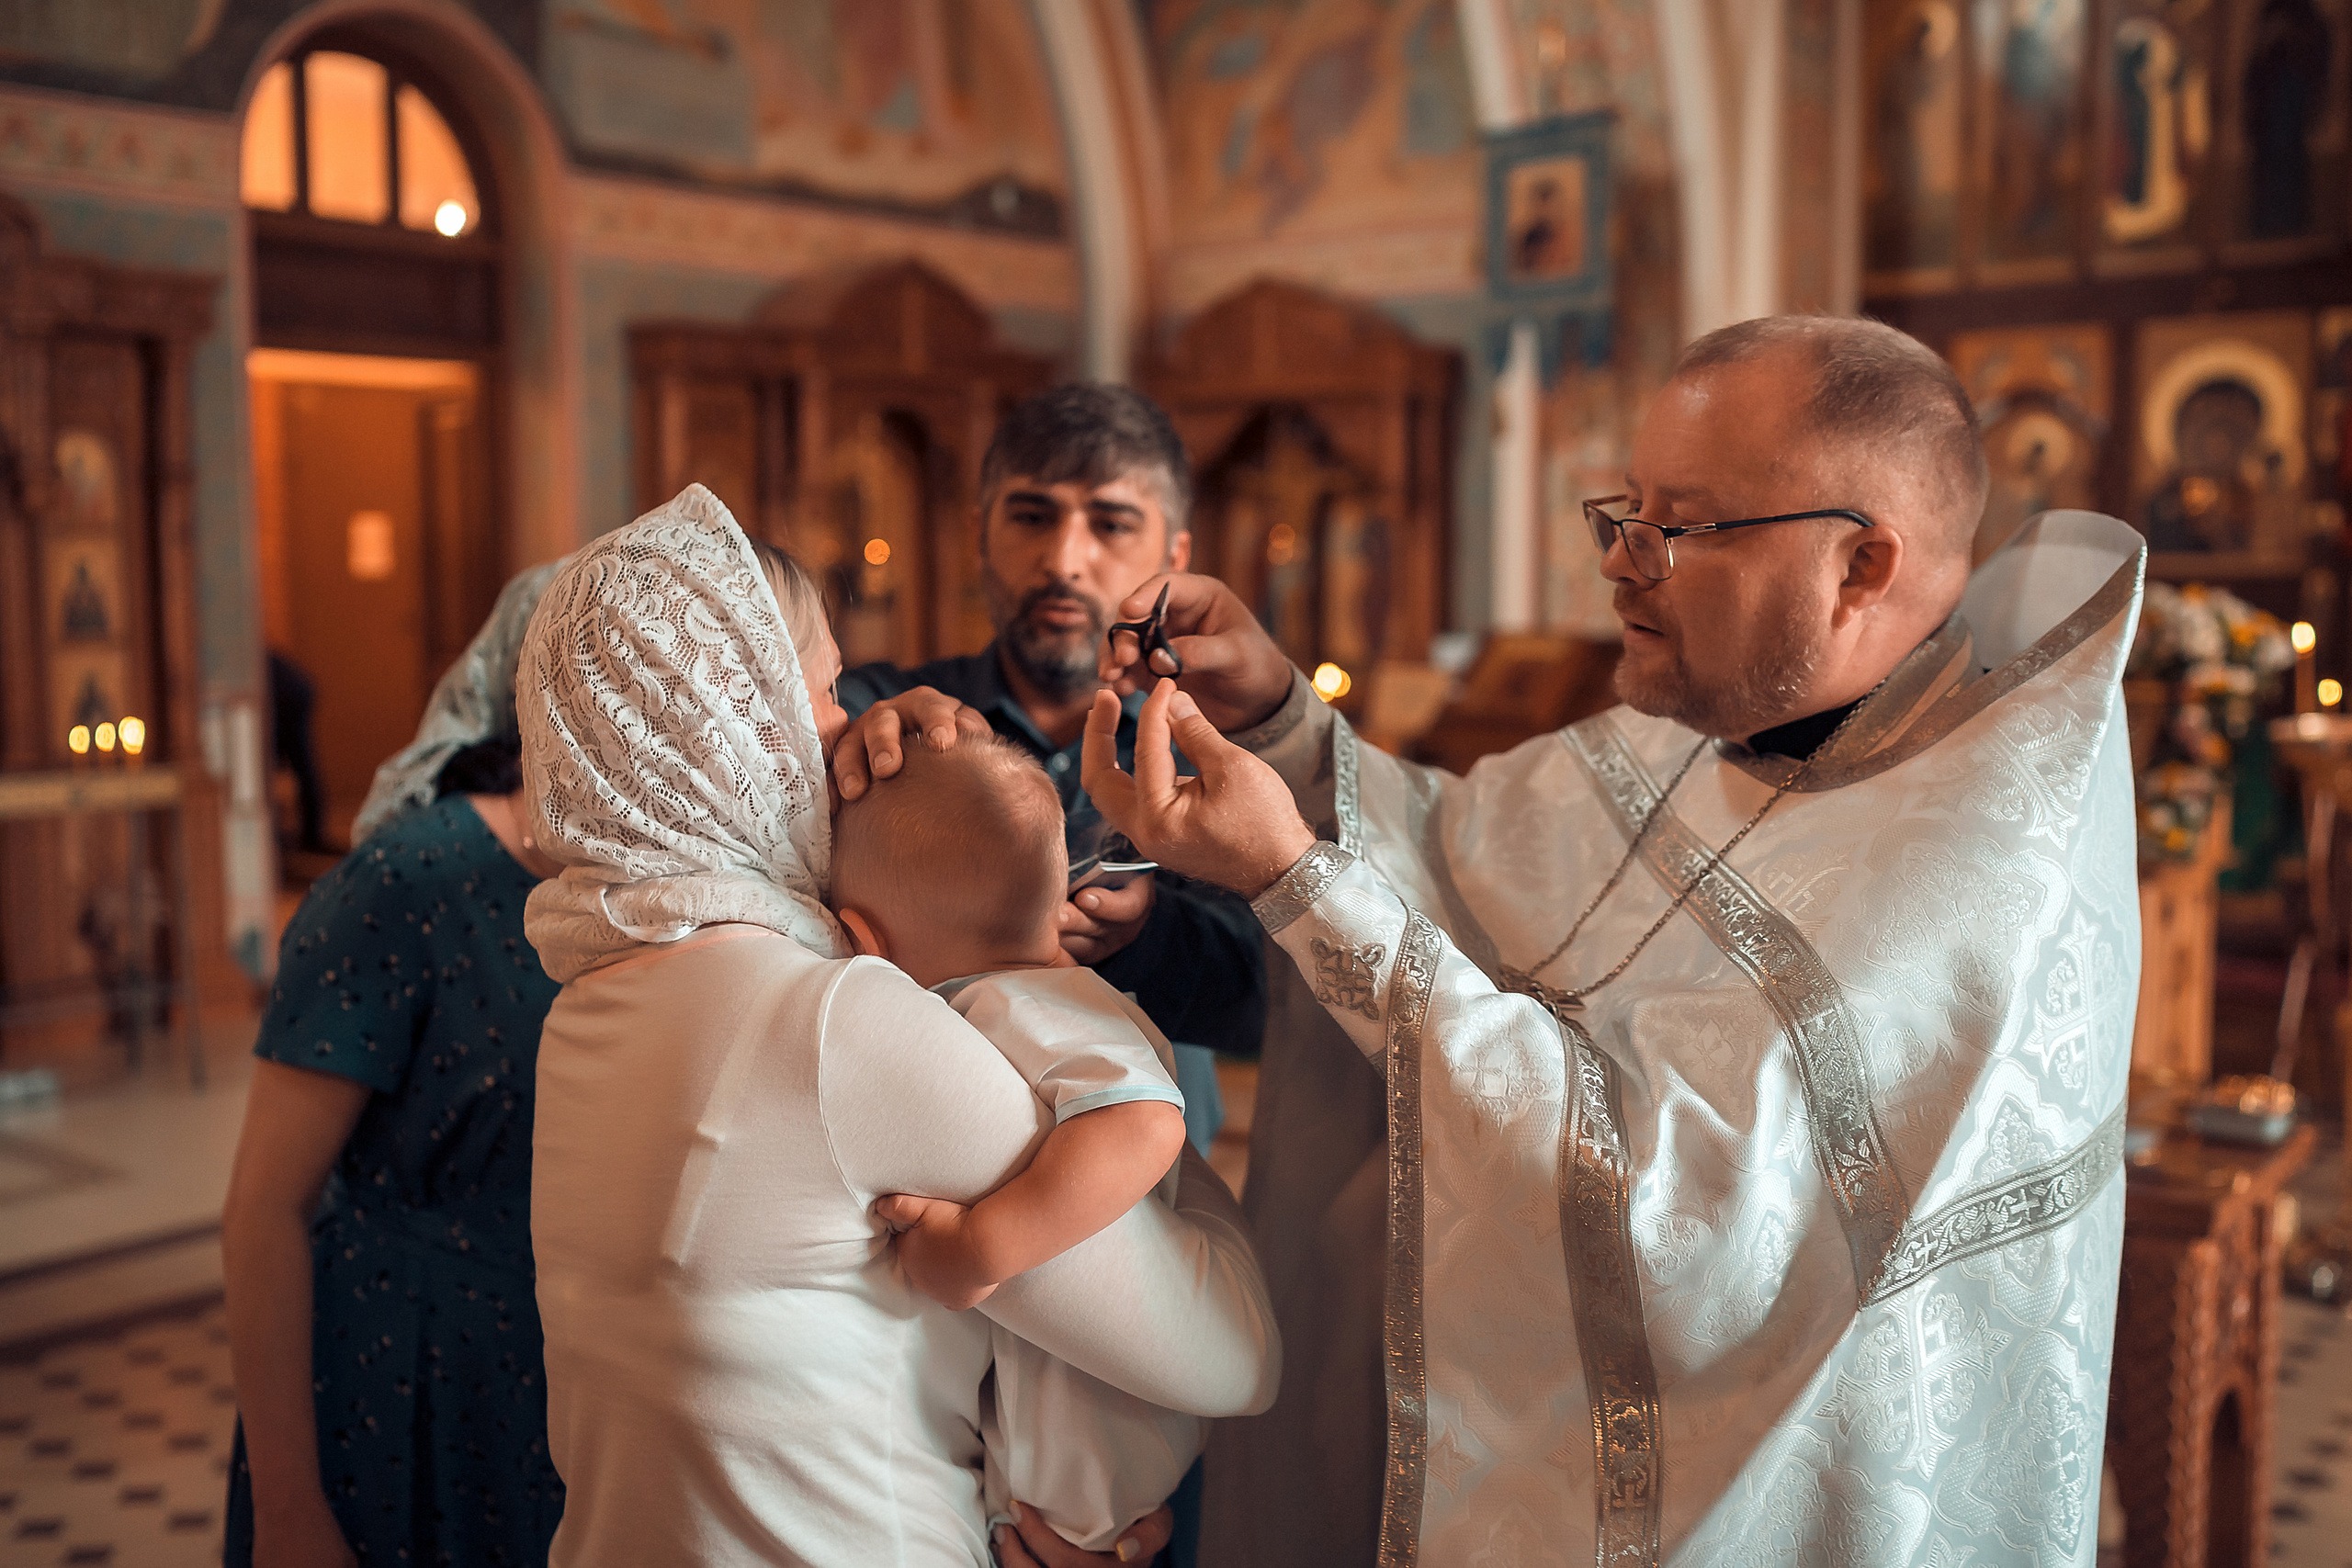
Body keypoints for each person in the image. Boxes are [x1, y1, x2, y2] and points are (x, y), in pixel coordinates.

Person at [1053, 315, 2142, 1565]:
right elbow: (1465, 851)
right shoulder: (1733, 717)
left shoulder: (1972, 868)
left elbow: (1671, 1213)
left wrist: (1294, 874)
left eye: (1679, 526)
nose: (1622, 563)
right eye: (1622, 511)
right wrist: (1287, 724)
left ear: (1861, 564)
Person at [520, 484, 1278, 1568]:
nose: (847, 737)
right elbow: (1229, 1356)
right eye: (826, 692)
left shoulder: (588, 998)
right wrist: (1122, 1058)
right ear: (741, 720)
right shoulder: (833, 1021)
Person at [835, 384, 1268, 1159]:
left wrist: (1147, 933)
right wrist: (855, 751)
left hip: (1149, 1178)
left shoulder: (1226, 756)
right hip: (907, 1162)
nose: (1064, 560)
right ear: (978, 533)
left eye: (1110, 523)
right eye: (1032, 516)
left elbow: (1274, 1002)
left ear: (1174, 557)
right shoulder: (885, 717)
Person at [833, 736, 1207, 1551]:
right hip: (1076, 1383)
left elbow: (1147, 1122)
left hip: (1105, 1415)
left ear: (862, 939)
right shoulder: (1024, 989)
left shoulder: (1033, 1003)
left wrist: (981, 1244)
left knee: (1048, 1523)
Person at [221, 726, 569, 1568]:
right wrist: (289, 1507)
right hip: (405, 1381)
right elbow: (265, 1208)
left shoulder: (664, 890)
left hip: (563, 1385)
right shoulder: (409, 881)